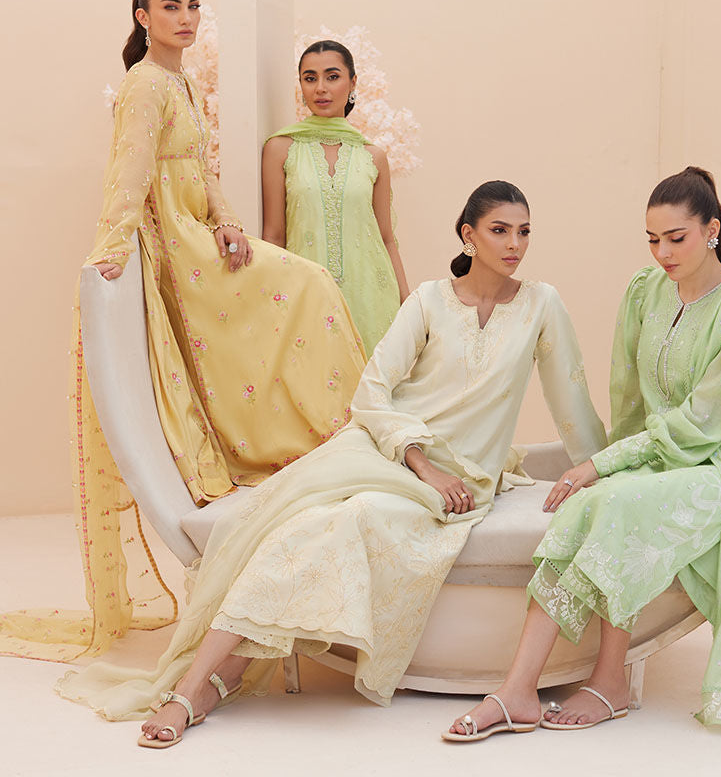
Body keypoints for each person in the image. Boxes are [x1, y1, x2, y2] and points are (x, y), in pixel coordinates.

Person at [56, 180, 606, 748]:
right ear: (469, 235)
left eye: (523, 232)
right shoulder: (429, 301)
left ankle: (213, 682)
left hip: (462, 480)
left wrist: (604, 467)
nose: (515, 244)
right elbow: (373, 392)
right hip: (389, 452)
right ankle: (196, 684)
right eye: (500, 230)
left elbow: (572, 401)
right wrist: (421, 462)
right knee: (294, 525)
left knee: (346, 521)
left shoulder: (542, 304)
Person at [445, 168, 721, 777]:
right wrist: (615, 464)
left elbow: (708, 419)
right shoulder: (646, 293)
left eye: (677, 238)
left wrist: (605, 464)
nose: (662, 253)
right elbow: (631, 400)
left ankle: (608, 681)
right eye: (653, 239)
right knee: (597, 502)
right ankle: (518, 690)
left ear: (711, 230)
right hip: (662, 455)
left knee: (616, 502)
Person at [1, 0, 366, 664]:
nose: (187, 18)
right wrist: (113, 247)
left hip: (201, 231)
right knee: (308, 284)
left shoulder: (183, 82)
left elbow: (203, 170)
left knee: (311, 286)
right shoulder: (144, 84)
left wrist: (228, 221)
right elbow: (130, 170)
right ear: (142, 16)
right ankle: (315, 437)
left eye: (194, 6)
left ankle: (324, 434)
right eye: (171, 7)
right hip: (174, 244)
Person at [261, 39, 408, 358]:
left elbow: (386, 238)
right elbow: (273, 235)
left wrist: (407, 303)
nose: (320, 88)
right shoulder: (281, 148)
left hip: (371, 298)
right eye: (310, 78)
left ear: (352, 83)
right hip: (306, 294)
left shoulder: (373, 156)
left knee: (369, 386)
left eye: (332, 76)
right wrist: (271, 298)